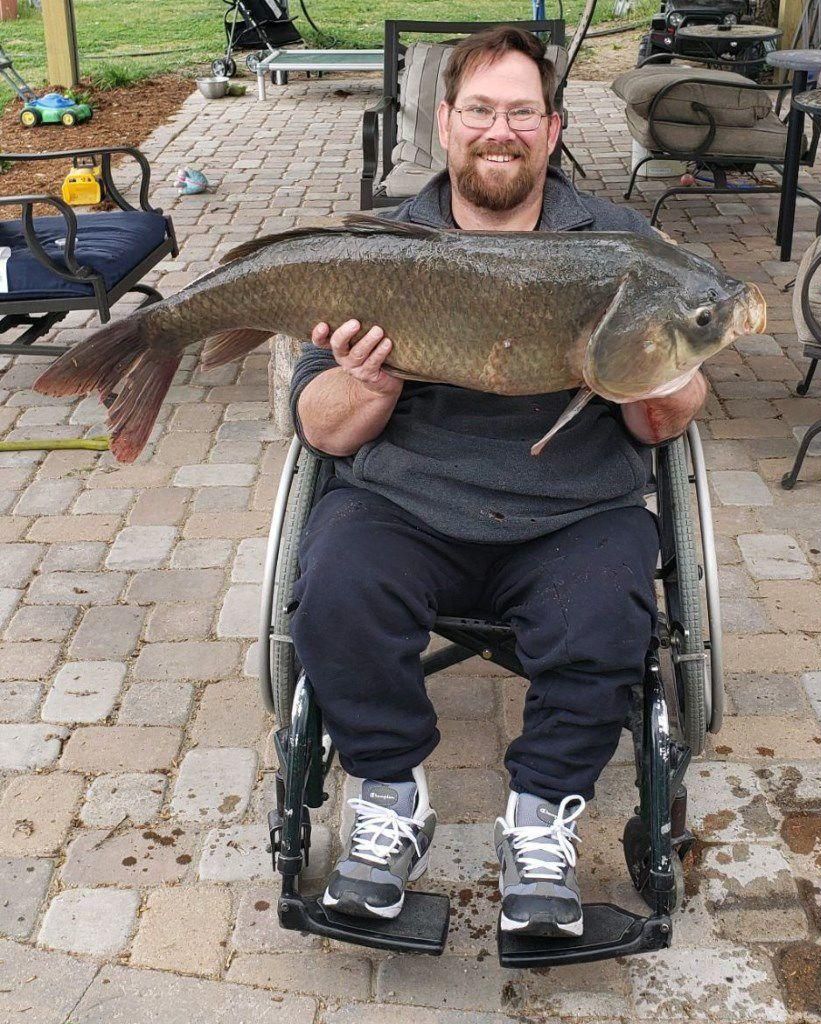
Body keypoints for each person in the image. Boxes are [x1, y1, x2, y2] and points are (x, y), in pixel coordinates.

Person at [288, 26, 707, 938]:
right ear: (443, 124)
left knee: (605, 614)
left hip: (573, 511)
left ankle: (541, 817)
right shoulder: (382, 244)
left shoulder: (620, 243)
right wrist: (367, 380)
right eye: (479, 110)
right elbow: (317, 428)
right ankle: (390, 798)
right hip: (403, 504)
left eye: (521, 111)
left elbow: (667, 418)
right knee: (333, 584)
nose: (499, 130)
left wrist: (665, 373)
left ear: (552, 129)